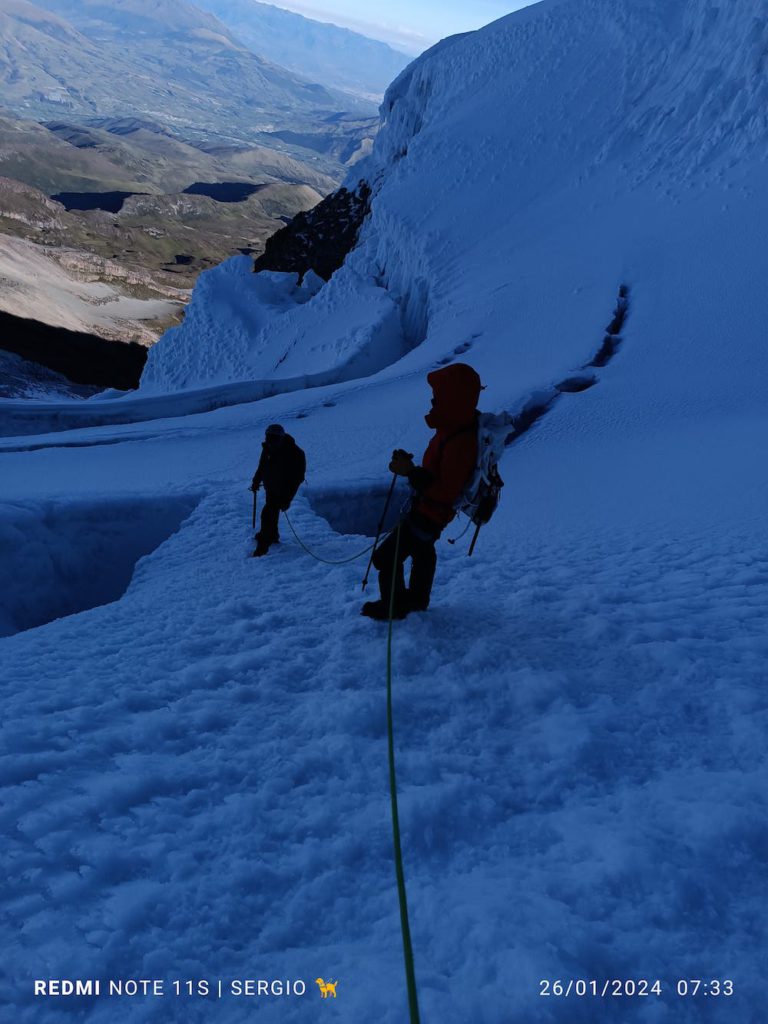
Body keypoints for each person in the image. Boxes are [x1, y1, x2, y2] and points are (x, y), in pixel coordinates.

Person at [362, 363, 481, 620]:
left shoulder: (460, 440)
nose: (432, 400)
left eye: (437, 396)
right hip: (430, 509)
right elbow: (440, 478)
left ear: (451, 398)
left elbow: (445, 490)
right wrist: (411, 468)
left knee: (386, 558)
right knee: (422, 550)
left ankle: (393, 607)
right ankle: (416, 602)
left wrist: (409, 472)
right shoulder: (454, 429)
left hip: (432, 511)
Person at [250, 424, 306, 557]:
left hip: (283, 490)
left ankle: (263, 545)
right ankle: (273, 535)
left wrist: (287, 499)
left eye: (273, 438)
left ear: (281, 438)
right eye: (268, 437)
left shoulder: (296, 453)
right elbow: (262, 466)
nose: (270, 441)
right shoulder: (268, 447)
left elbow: (297, 479)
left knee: (267, 513)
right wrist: (256, 481)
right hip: (270, 487)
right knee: (271, 511)